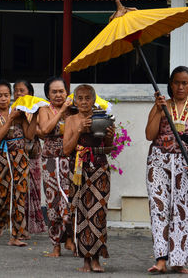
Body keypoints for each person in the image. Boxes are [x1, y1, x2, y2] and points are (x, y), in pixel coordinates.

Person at [145, 66, 188, 274]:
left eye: (185, 83)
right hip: (158, 163)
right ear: (170, 84)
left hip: (186, 166)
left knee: (182, 211)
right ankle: (161, 259)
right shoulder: (161, 105)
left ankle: (178, 260)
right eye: (176, 82)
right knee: (159, 209)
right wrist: (157, 110)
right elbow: (149, 135)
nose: (180, 86)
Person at [63, 84, 115, 273]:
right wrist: (79, 130)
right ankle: (85, 260)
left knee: (98, 212)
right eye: (80, 98)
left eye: (88, 98)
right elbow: (66, 149)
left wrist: (110, 136)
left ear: (94, 100)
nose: (84, 102)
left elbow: (110, 147)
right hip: (78, 169)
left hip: (99, 168)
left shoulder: (102, 118)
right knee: (81, 213)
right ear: (75, 101)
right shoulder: (70, 120)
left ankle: (96, 259)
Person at [0, 80, 38, 246]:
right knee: (0, 195)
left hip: (20, 158)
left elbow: (29, 135)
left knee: (19, 194)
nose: (3, 99)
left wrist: (34, 115)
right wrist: (10, 119)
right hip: (0, 160)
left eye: (6, 95)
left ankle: (17, 235)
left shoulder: (19, 112)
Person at [38, 76, 75, 257]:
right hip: (50, 161)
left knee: (70, 200)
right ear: (48, 95)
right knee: (53, 203)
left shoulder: (74, 110)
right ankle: (56, 245)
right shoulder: (44, 110)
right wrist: (61, 112)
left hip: (71, 160)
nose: (59, 95)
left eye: (61, 91)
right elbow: (45, 130)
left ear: (67, 92)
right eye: (54, 92)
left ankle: (70, 238)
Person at [13, 80, 47, 236]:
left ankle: (34, 224)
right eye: (16, 91)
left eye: (22, 90)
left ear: (30, 93)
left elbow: (41, 132)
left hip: (33, 155)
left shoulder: (37, 109)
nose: (19, 94)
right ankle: (21, 225)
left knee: (33, 191)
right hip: (16, 156)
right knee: (19, 192)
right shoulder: (13, 110)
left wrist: (31, 118)